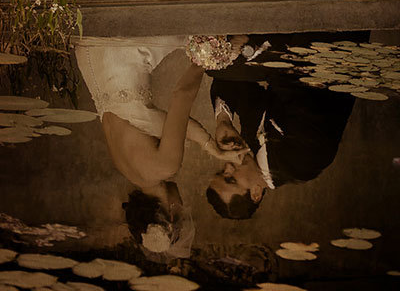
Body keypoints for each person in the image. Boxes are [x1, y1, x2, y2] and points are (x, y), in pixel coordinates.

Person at [74, 35, 247, 260]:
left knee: (217, 40)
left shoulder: (164, 168)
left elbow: (182, 96)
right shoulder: (129, 170)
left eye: (183, 212)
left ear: (172, 215)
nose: (183, 204)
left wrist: (206, 56)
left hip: (121, 50)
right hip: (90, 55)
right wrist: (211, 147)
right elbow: (163, 123)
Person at [204, 34, 356, 219]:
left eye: (221, 171)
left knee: (214, 63)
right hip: (329, 51)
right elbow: (302, 90)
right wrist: (253, 50)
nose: (227, 165)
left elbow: (228, 82)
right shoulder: (301, 165)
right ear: (256, 193)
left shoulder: (250, 142)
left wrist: (223, 121)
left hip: (293, 54)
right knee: (221, 57)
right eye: (231, 179)